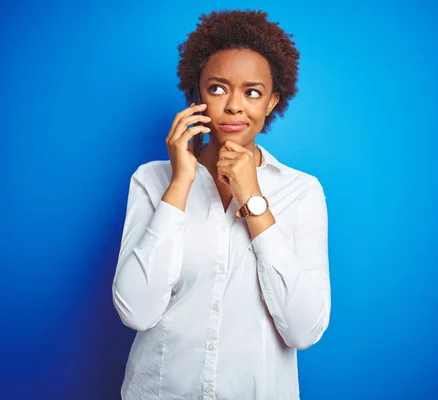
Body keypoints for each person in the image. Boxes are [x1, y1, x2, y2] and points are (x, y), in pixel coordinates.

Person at [112, 9, 330, 400]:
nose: (233, 106)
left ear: (271, 101)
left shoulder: (302, 191)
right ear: (197, 96)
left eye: (252, 92)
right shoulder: (151, 180)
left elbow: (304, 330)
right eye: (217, 88)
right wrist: (181, 182)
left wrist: (253, 199)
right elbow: (135, 312)